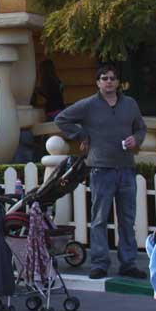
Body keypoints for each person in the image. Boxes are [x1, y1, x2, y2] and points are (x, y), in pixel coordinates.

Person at [55, 63, 147, 280]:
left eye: (112, 78)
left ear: (118, 82)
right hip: (100, 168)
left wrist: (137, 139)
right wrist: (81, 135)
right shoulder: (88, 105)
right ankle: (100, 262)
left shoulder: (130, 104)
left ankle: (129, 263)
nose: (108, 81)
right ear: (98, 82)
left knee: (127, 219)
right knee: (99, 219)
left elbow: (140, 127)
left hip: (126, 167)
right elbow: (62, 119)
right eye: (104, 78)